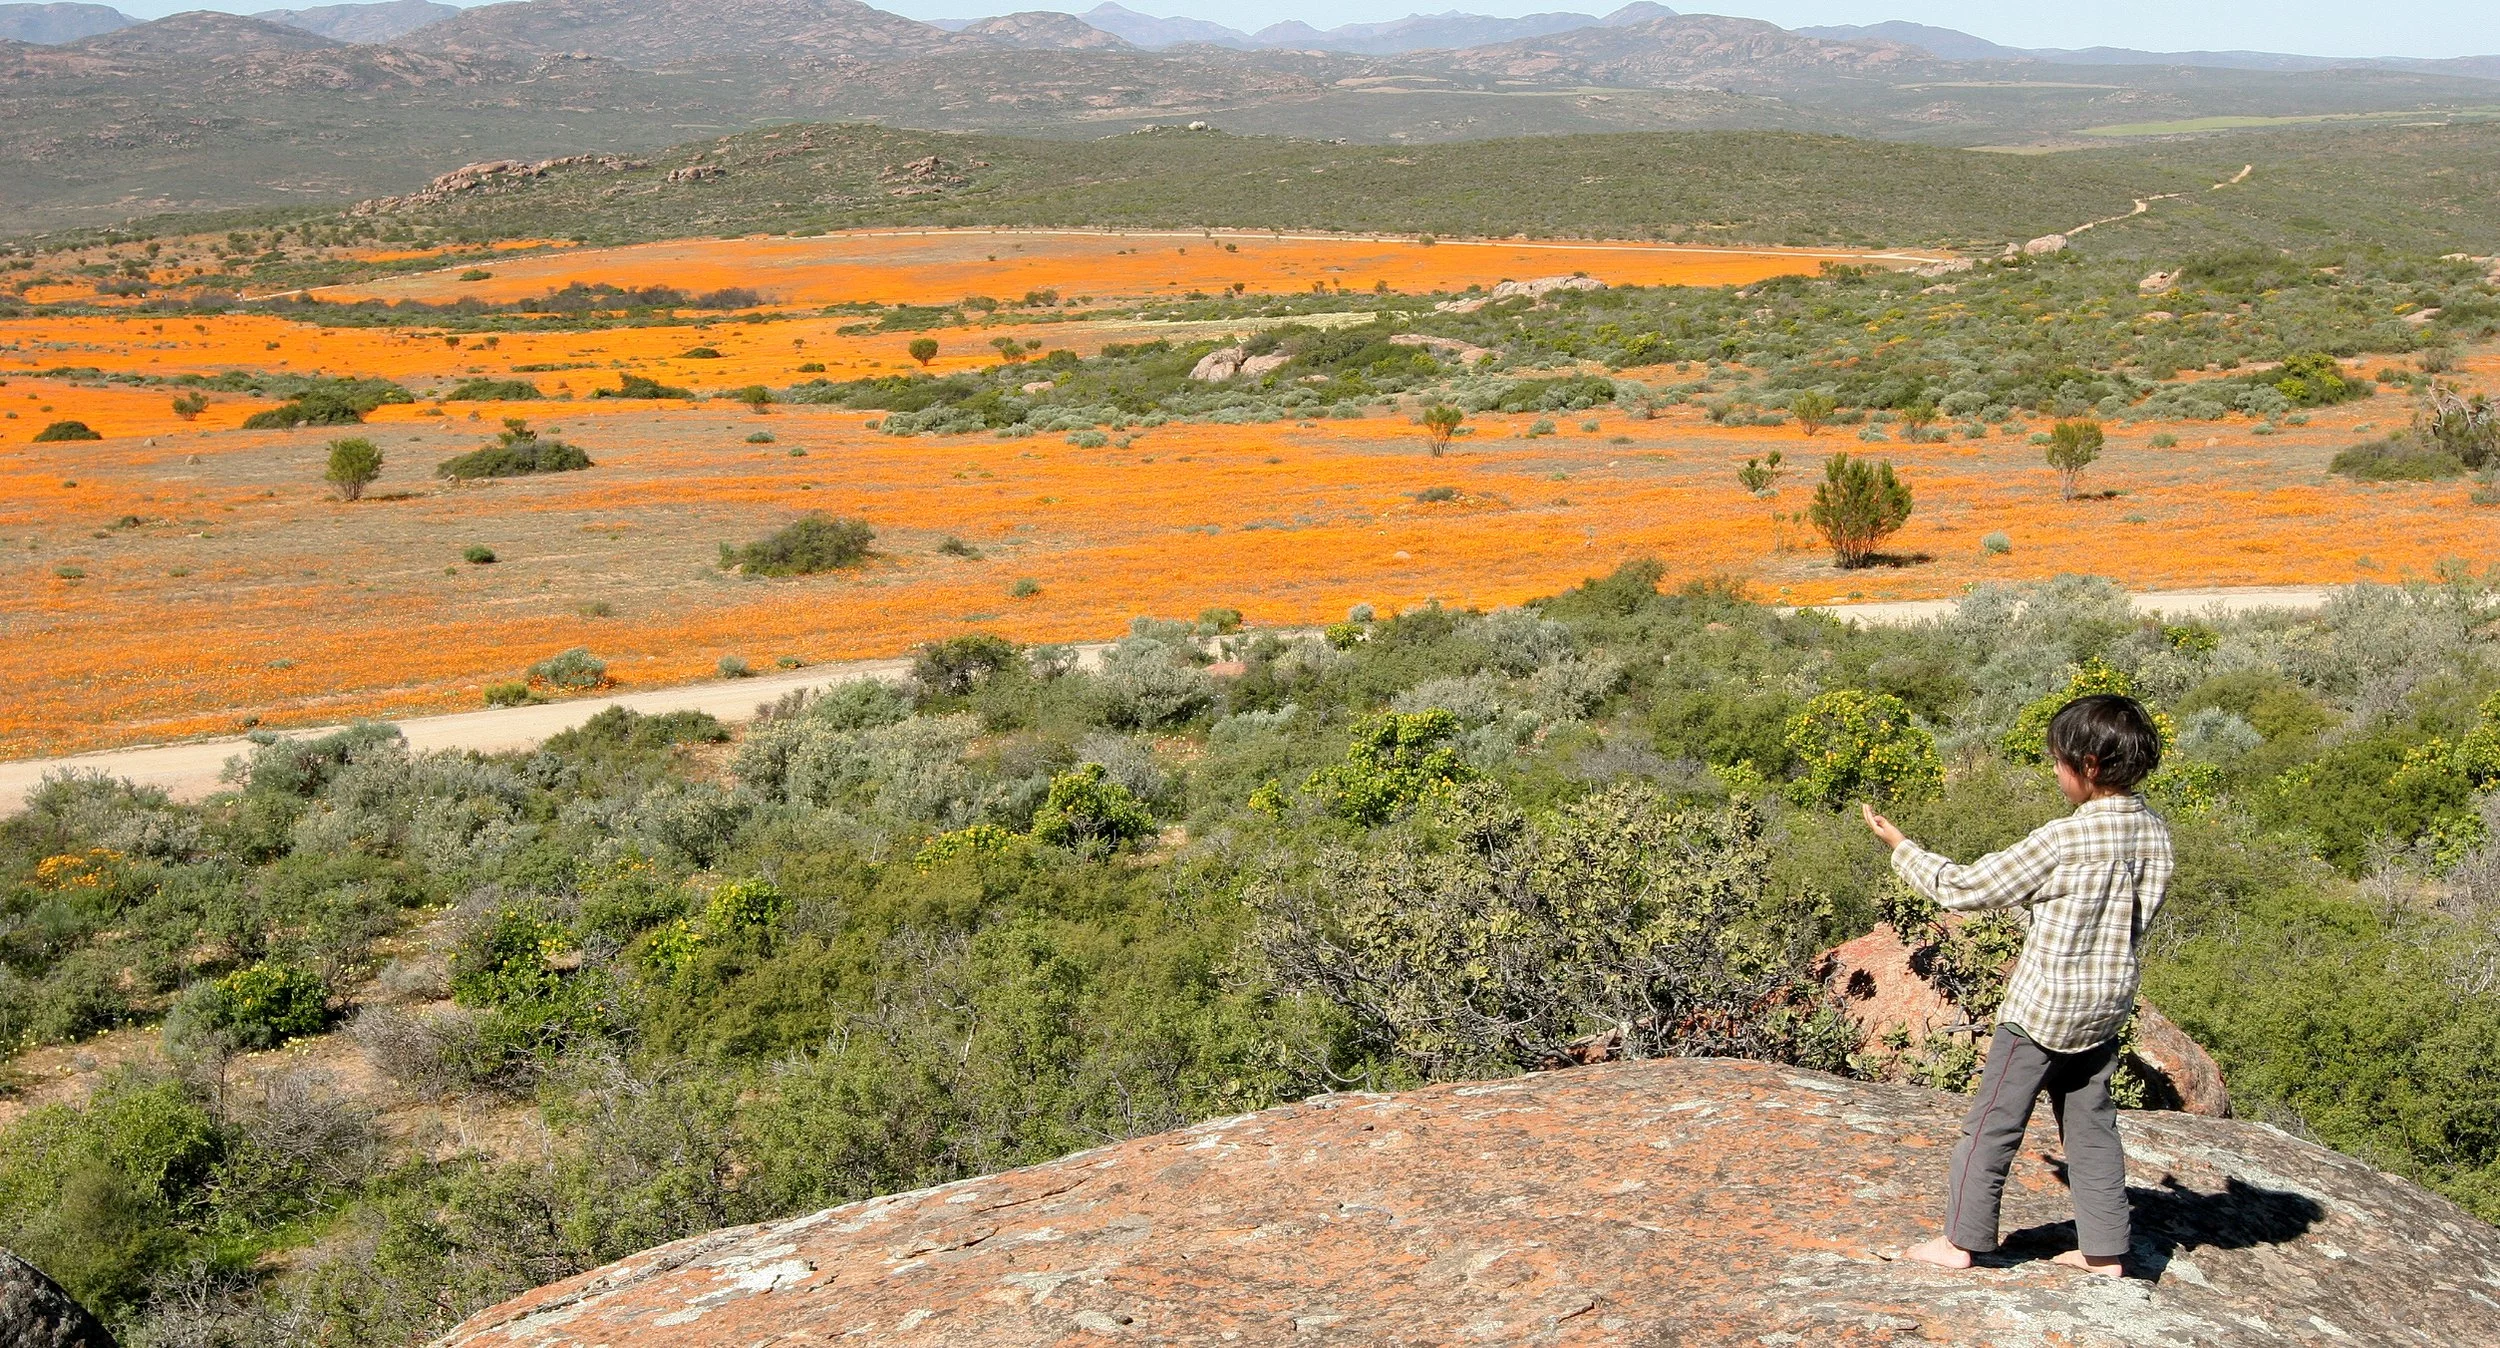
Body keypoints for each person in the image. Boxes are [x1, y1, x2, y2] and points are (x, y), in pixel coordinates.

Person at [1860, 693, 2174, 1278]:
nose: (2055, 771)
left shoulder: (2064, 839)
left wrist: (1902, 848)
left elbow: (1965, 889)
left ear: (2090, 766)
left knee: (1992, 1123)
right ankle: (2105, 1250)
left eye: (2059, 760)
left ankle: (1962, 1241)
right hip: (2106, 1007)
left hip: (2042, 1010)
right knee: (2091, 1122)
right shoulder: (2154, 832)